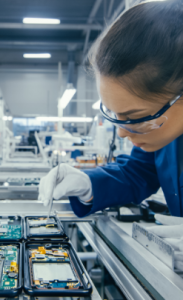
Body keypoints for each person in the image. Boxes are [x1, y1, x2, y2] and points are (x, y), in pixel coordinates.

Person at [38, 0, 183, 270]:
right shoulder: (164, 135)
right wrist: (87, 184)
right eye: (115, 115)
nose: (121, 132)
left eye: (134, 117)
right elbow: (139, 172)